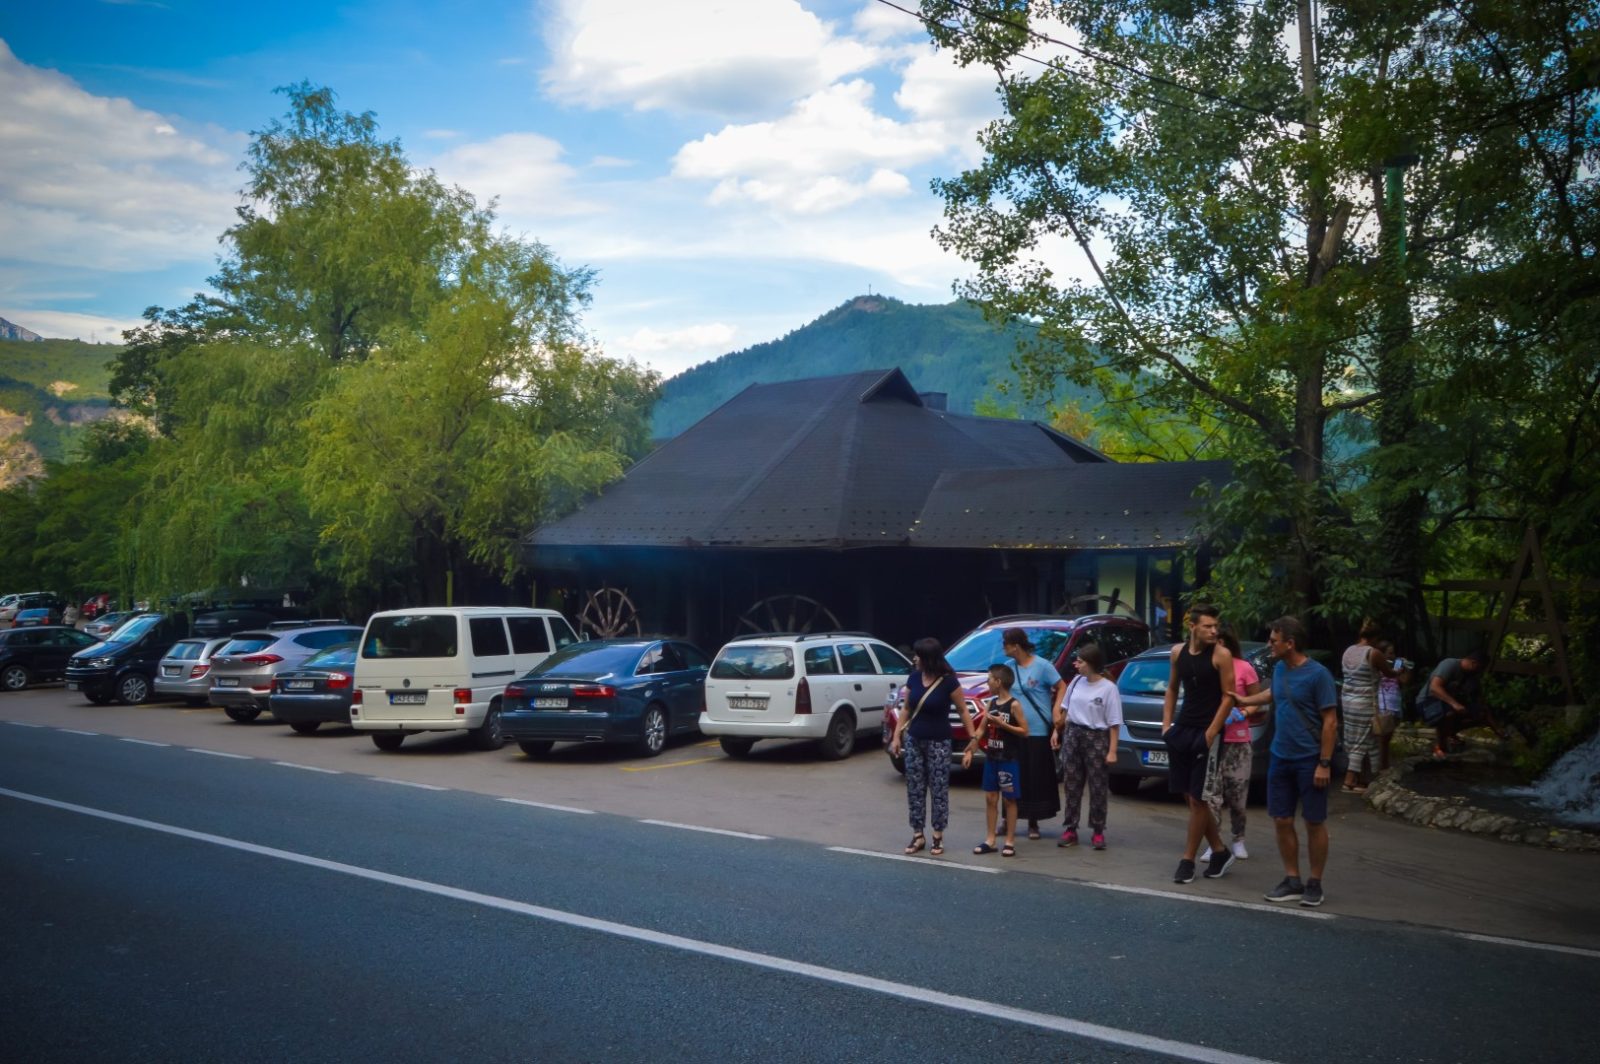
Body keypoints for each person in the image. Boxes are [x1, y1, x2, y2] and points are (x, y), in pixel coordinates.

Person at [1236, 615, 1339, 907]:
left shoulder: (1318, 675)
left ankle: (1314, 883)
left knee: (1314, 822)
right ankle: (1292, 879)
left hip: (1310, 760)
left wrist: (1325, 762)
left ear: (1290, 643)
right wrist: (1245, 701)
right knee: (1281, 819)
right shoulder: (1280, 668)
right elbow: (1275, 693)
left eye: (1274, 640)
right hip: (1280, 757)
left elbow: (1330, 722)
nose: (1269, 644)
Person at [1160, 604, 1237, 884]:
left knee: (1198, 798)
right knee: (1188, 795)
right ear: (1192, 626)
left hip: (1208, 732)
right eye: (1207, 626)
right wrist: (1166, 725)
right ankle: (1219, 850)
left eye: (1216, 626)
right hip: (1182, 728)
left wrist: (1212, 731)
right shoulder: (1177, 653)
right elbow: (1171, 688)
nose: (1214, 631)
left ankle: (1187, 860)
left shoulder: (1222, 655)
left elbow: (1229, 697)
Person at [889, 637, 977, 857]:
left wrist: (972, 738)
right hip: (914, 739)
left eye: (918, 655)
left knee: (938, 789)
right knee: (915, 789)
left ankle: (938, 835)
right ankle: (918, 834)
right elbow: (907, 709)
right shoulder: (914, 678)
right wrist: (897, 736)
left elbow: (964, 710)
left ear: (928, 658)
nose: (914, 658)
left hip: (939, 741)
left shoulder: (948, 682)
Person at [1199, 626, 1265, 863]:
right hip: (1214, 739)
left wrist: (1243, 711)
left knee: (1237, 794)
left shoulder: (1244, 668)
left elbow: (1257, 700)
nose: (1220, 648)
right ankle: (1214, 843)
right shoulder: (1207, 666)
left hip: (1237, 739)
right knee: (1211, 796)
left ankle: (1238, 838)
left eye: (1223, 643)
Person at [1052, 642, 1122, 850]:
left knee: (1098, 785)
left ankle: (1098, 830)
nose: (1076, 665)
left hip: (1096, 737)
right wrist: (1057, 731)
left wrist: (1112, 751)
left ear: (1091, 663)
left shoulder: (1109, 689)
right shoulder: (1076, 682)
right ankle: (1071, 828)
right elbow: (1065, 710)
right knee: (1072, 783)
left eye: (1080, 661)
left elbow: (1114, 723)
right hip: (1073, 734)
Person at [1002, 627, 1065, 840]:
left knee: (1034, 776)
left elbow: (1061, 686)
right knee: (1011, 774)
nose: (1003, 648)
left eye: (1006, 644)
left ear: (1016, 646)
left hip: (1037, 730)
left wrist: (1056, 709)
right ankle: (1006, 819)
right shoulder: (1008, 668)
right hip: (1013, 729)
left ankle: (1033, 821)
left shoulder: (1042, 666)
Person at [962, 663, 1026, 857]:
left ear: (998, 682)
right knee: (990, 798)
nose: (987, 682)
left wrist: (1003, 724)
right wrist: (971, 748)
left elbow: (1024, 731)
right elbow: (981, 728)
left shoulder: (1014, 705)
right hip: (992, 757)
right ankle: (990, 839)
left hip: (1008, 758)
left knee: (1009, 799)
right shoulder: (990, 703)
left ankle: (1009, 841)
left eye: (989, 679)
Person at [1339, 621, 1402, 793]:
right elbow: (1389, 672)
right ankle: (1349, 780)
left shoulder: (1348, 651)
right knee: (1363, 739)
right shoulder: (1373, 653)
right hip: (1364, 702)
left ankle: (1363, 779)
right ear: (1375, 638)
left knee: (1356, 737)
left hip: (1347, 701)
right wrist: (1398, 670)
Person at [1416, 649, 1499, 759]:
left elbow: (1481, 702)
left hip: (1449, 706)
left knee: (1480, 713)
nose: (1480, 672)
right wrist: (1455, 704)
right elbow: (1434, 688)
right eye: (1480, 669)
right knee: (1451, 712)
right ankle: (1441, 745)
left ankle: (1450, 733)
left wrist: (1497, 729)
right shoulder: (1449, 664)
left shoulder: (1473, 677)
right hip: (1427, 704)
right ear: (1474, 663)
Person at [1374, 640, 1411, 772]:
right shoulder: (1377, 667)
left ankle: (1384, 765)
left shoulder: (1396, 667)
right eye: (1390, 653)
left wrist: (1405, 668)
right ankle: (1382, 767)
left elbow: (1404, 681)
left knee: (1388, 737)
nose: (1392, 656)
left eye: (1393, 653)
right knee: (1383, 737)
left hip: (1395, 703)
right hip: (1383, 704)